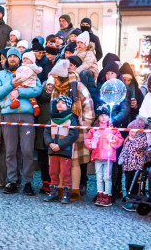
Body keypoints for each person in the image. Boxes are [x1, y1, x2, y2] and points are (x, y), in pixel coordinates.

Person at [0, 48, 42, 195]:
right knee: (10, 151)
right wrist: (12, 85)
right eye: (10, 57)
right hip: (9, 115)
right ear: (7, 59)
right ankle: (12, 181)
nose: (13, 59)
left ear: (20, 59)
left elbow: (37, 89)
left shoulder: (30, 70)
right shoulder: (1, 75)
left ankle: (27, 182)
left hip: (27, 115)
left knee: (27, 150)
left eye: (15, 56)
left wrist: (19, 92)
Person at [51, 59, 95, 201]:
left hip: (76, 128)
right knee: (60, 159)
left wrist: (84, 126)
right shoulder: (56, 89)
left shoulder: (78, 87)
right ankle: (59, 188)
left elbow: (88, 108)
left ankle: (74, 190)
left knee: (74, 161)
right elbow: (53, 107)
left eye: (55, 77)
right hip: (59, 128)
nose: (54, 79)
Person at [85, 105, 123, 207]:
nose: (103, 117)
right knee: (99, 177)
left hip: (108, 157)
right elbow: (88, 139)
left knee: (107, 177)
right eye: (101, 115)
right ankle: (100, 194)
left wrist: (113, 140)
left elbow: (119, 140)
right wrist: (91, 144)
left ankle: (107, 195)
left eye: (105, 115)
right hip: (97, 156)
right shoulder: (95, 129)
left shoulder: (112, 129)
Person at [43, 96, 79, 204]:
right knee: (52, 172)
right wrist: (50, 143)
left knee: (65, 173)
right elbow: (46, 132)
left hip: (65, 150)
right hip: (52, 150)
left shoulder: (71, 118)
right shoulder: (52, 118)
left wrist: (60, 145)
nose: (59, 104)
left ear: (68, 106)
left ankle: (66, 193)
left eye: (63, 103)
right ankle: (53, 192)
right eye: (58, 102)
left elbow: (73, 134)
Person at [119, 118, 149, 211]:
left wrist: (134, 139)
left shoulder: (141, 140)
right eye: (130, 131)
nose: (131, 133)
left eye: (134, 131)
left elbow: (139, 147)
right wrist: (122, 157)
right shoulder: (128, 141)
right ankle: (129, 197)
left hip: (136, 167)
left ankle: (134, 201)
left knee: (135, 184)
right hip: (128, 167)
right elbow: (124, 150)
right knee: (128, 183)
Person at [36, 76, 55, 194]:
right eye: (48, 84)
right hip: (40, 131)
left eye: (52, 85)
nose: (50, 87)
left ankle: (53, 182)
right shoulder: (39, 98)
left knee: (52, 159)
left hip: (53, 132)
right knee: (42, 159)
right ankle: (45, 183)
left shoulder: (58, 100)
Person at [9, 51, 42, 116]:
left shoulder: (29, 67)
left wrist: (18, 79)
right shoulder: (26, 66)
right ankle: (35, 106)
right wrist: (16, 73)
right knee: (31, 97)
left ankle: (15, 101)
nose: (25, 60)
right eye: (24, 58)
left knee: (14, 91)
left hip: (25, 83)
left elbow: (25, 75)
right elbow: (21, 72)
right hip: (28, 84)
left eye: (27, 59)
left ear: (32, 60)